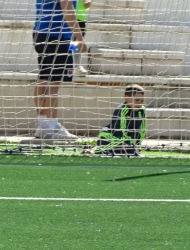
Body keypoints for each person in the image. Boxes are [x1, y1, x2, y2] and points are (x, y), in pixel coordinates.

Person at [33, 0, 87, 140]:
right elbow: (66, 5)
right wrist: (79, 37)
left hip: (40, 32)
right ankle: (52, 126)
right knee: (53, 84)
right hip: (57, 35)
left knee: (43, 79)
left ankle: (43, 125)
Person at [94, 85, 146, 156]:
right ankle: (100, 150)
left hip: (126, 141)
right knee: (128, 148)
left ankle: (126, 150)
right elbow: (120, 131)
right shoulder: (122, 110)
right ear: (126, 98)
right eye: (137, 100)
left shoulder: (142, 111)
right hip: (112, 137)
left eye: (142, 101)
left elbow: (142, 130)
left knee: (131, 150)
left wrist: (138, 145)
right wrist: (130, 144)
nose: (139, 103)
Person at [75, 0, 91, 74]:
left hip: (80, 18)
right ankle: (71, 66)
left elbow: (86, 3)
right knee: (68, 42)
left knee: (77, 43)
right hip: (67, 17)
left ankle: (76, 66)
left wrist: (87, 2)